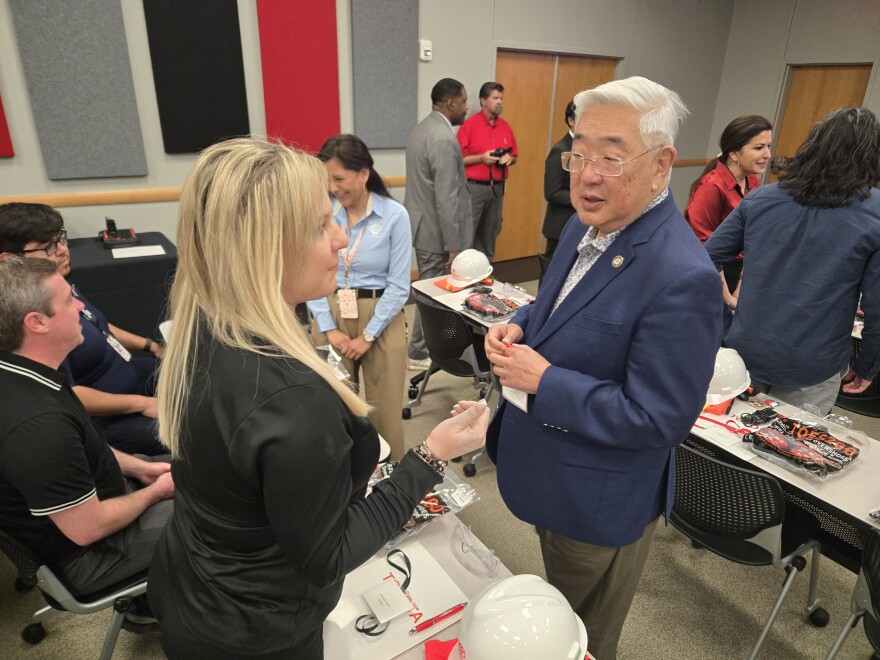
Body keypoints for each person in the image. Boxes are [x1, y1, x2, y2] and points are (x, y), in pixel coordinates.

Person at [148, 137, 489, 659]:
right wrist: (431, 456)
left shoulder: (199, 329)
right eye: (318, 226)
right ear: (262, 247)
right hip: (256, 631)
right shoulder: (292, 401)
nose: (338, 240)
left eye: (334, 217)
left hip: (194, 586)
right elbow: (329, 557)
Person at [480, 76, 722, 660]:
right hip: (549, 474)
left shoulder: (680, 274)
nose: (586, 175)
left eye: (610, 158)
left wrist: (545, 382)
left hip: (597, 500)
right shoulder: (591, 222)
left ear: (662, 165)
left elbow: (660, 419)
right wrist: (525, 321)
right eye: (578, 153)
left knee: (579, 641)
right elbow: (563, 301)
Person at [0, 257, 174, 603]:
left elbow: (84, 445)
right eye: (68, 301)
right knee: (233, 515)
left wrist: (142, 468)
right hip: (92, 554)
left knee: (208, 478)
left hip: (104, 494)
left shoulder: (27, 370)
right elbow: (86, 529)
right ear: (37, 323)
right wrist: (155, 493)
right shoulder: (38, 424)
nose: (81, 307)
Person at [705, 107, 880, 416]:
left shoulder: (761, 199)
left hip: (746, 350)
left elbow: (702, 261)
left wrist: (725, 322)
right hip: (811, 363)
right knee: (789, 456)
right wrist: (867, 365)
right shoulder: (874, 214)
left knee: (731, 450)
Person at [0, 203, 165, 456]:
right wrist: (143, 404)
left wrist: (151, 346)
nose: (63, 251)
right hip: (105, 418)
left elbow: (96, 323)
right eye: (49, 247)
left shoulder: (56, 283)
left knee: (194, 373)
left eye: (60, 240)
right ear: (10, 260)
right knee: (189, 429)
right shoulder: (30, 320)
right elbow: (70, 396)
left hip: (127, 373)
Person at [307, 134, 411, 460]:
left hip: (381, 317)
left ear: (364, 173)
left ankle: (391, 489)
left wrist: (368, 335)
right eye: (328, 181)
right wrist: (329, 328)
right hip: (331, 311)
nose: (334, 188)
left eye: (339, 179)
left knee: (385, 413)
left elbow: (399, 285)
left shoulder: (395, 216)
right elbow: (308, 274)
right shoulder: (322, 216)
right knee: (331, 407)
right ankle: (340, 483)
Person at [405, 78, 472, 369]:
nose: (467, 107)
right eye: (465, 101)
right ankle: (419, 352)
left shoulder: (421, 129)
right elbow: (447, 197)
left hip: (422, 225)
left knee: (426, 288)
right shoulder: (443, 138)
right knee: (431, 293)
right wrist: (454, 245)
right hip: (436, 231)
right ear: (451, 103)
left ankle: (421, 348)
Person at [684, 115, 772, 308]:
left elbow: (753, 236)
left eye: (768, 147)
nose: (767, 155)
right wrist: (728, 298)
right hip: (710, 273)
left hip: (737, 272)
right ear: (733, 153)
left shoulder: (753, 182)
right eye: (759, 148)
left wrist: (741, 286)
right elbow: (704, 248)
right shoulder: (711, 186)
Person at [457, 81, 518, 261]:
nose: (500, 102)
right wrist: (481, 158)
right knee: (467, 234)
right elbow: (456, 160)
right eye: (495, 98)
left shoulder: (505, 127)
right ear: (483, 101)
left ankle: (484, 276)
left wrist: (509, 159)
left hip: (497, 189)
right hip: (473, 189)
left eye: (501, 98)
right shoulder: (469, 126)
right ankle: (464, 274)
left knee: (490, 233)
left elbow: (514, 155)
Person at [542, 99, 577, 260]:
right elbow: (552, 192)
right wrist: (582, 198)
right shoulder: (561, 150)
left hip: (576, 225)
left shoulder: (583, 149)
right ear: (571, 120)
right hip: (559, 227)